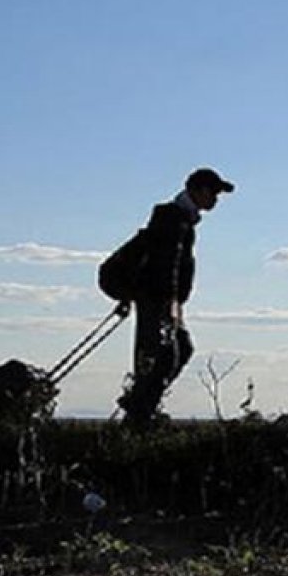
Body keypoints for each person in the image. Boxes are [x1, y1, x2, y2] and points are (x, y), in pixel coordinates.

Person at [117, 168, 234, 427]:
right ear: (197, 190)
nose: (215, 199)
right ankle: (138, 415)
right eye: (212, 192)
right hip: (156, 299)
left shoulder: (182, 219)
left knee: (173, 351)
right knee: (161, 355)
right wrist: (171, 304)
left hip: (163, 300)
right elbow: (166, 265)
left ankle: (139, 406)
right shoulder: (173, 220)